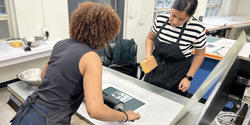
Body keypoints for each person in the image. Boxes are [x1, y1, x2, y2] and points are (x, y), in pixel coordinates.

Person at [11, 2, 140, 125]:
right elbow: (95, 111)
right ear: (105, 33)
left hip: (27, 112)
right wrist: (126, 116)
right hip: (49, 120)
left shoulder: (61, 44)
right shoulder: (91, 58)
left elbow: (44, 75)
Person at [144, 0, 206, 96]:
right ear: (171, 9)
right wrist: (148, 55)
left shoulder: (197, 29)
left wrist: (188, 78)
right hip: (154, 72)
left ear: (189, 17)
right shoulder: (160, 19)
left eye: (181, 19)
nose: (174, 22)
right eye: (173, 15)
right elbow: (150, 38)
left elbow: (199, 55)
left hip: (176, 79)